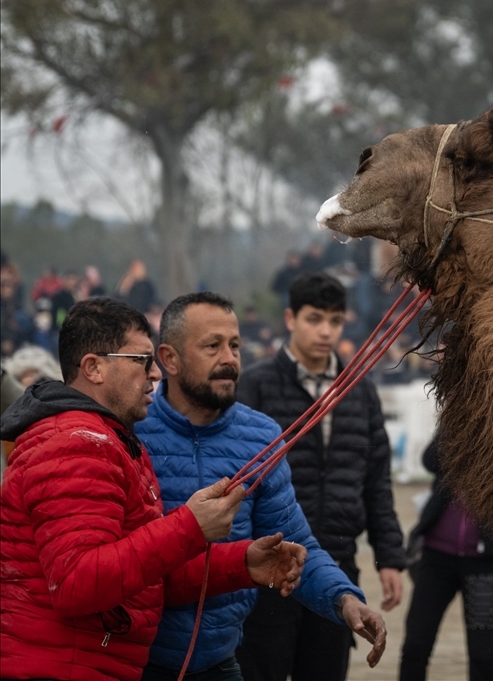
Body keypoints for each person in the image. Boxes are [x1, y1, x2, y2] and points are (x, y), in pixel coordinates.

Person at [0, 297, 305, 681]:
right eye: (141, 361)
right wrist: (191, 526)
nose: (156, 375)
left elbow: (142, 578)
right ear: (93, 367)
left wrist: (242, 563)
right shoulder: (75, 443)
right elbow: (78, 583)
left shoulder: (111, 439)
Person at [135, 291, 387, 680]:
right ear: (168, 359)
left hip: (223, 660)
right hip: (137, 662)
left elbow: (295, 542)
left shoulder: (261, 437)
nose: (229, 359)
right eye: (212, 346)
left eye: (234, 345)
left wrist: (345, 599)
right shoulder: (132, 432)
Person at [235, 272, 405, 681]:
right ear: (291, 318)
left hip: (337, 565)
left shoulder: (358, 391)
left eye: (334, 320)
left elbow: (376, 478)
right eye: (315, 319)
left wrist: (390, 556)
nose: (325, 331)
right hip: (270, 568)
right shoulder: (255, 386)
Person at [399, 436, 493, 681]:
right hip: (436, 557)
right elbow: (430, 459)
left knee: (484, 653)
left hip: (488, 561)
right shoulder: (459, 422)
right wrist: (458, 425)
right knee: (414, 647)